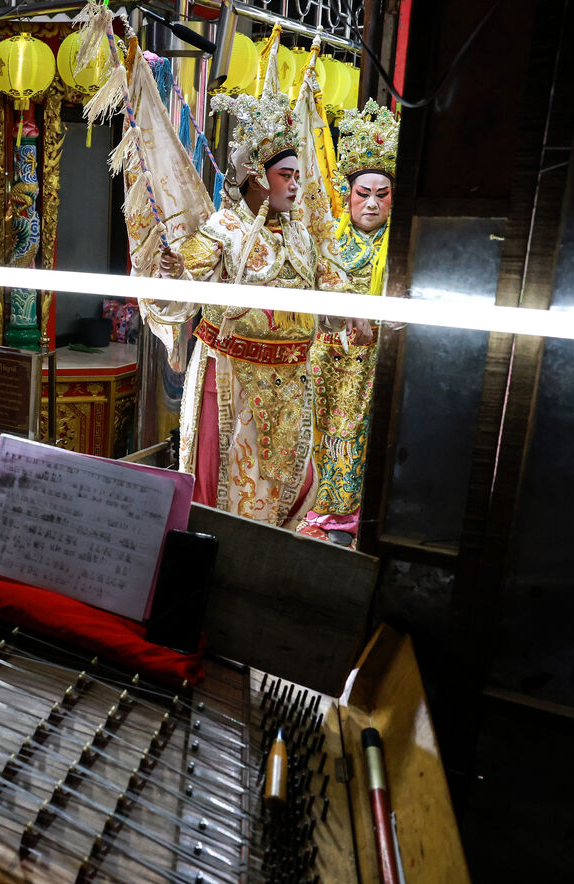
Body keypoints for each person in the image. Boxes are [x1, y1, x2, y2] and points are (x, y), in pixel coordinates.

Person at [157, 89, 350, 527]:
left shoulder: (302, 236)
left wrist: (347, 311)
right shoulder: (225, 227)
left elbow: (330, 299)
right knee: (222, 479)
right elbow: (190, 277)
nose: (296, 185)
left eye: (297, 175)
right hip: (232, 375)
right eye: (286, 175)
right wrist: (176, 270)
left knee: (287, 482)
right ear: (257, 176)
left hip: (291, 379)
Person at [294, 99, 400, 546]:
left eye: (382, 194)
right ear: (348, 194)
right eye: (363, 193)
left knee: (360, 435)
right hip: (325, 355)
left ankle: (353, 517)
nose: (372, 203)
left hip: (375, 361)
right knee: (317, 431)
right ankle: (311, 509)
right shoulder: (326, 241)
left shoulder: (401, 248)